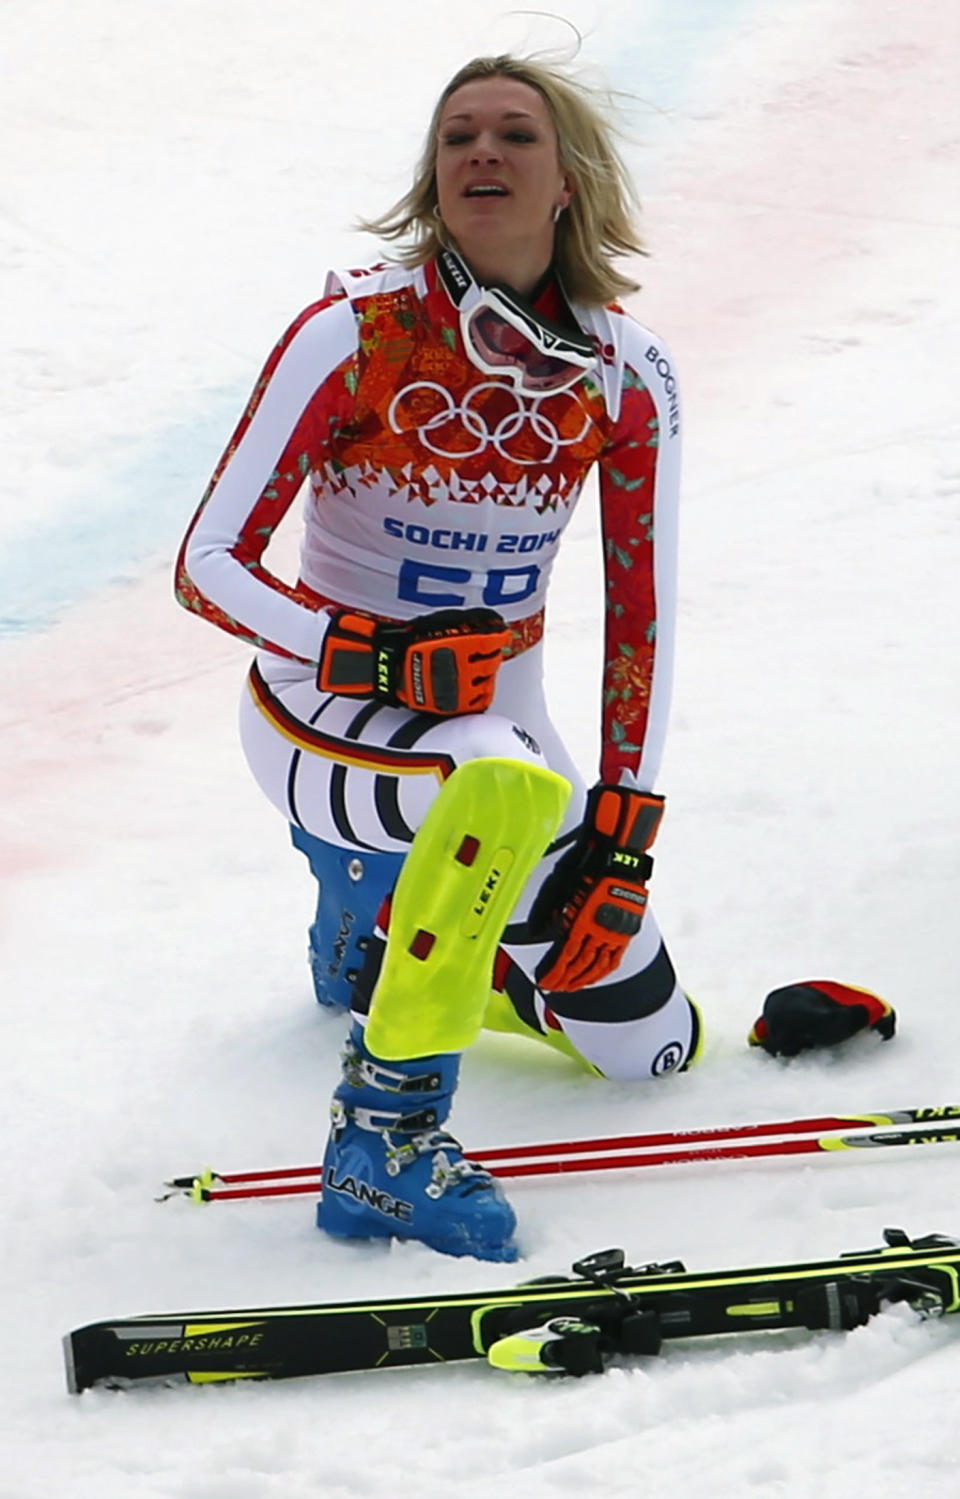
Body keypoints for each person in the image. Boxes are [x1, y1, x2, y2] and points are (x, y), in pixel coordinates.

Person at [175, 53, 699, 1264]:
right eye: (458, 134)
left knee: (649, 1046)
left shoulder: (628, 371)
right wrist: (368, 657)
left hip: (494, 732)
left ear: (568, 181)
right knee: (495, 786)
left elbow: (645, 615)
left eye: (516, 135)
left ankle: (383, 943)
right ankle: (385, 1141)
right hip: (319, 711)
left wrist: (622, 832)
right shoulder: (352, 330)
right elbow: (208, 563)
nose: (482, 153)